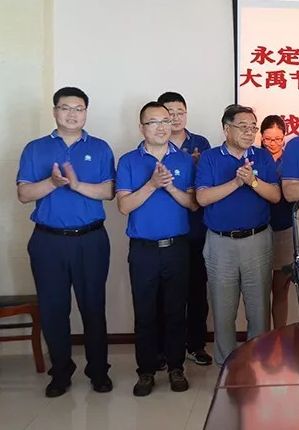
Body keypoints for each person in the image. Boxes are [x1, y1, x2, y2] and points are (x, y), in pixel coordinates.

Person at [16, 87, 116, 397]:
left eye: (79, 108)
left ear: (86, 112)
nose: (72, 114)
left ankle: (98, 371)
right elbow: (23, 194)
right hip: (48, 241)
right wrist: (52, 182)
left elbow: (108, 191)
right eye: (65, 108)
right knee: (53, 309)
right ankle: (60, 372)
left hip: (91, 239)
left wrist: (75, 184)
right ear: (54, 111)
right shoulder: (35, 148)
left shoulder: (100, 148)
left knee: (93, 307)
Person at [116, 102, 198, 396]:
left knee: (176, 311)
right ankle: (146, 371)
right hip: (144, 250)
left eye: (166, 120)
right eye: (154, 122)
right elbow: (124, 206)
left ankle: (176, 367)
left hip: (177, 248)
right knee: (145, 313)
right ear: (142, 128)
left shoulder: (185, 160)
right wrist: (152, 184)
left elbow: (193, 204)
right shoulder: (128, 161)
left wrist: (170, 187)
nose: (162, 127)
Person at [195, 105, 281, 365]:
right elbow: (202, 197)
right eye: (243, 127)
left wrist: (252, 181)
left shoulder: (262, 157)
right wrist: (236, 182)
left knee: (259, 308)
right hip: (220, 243)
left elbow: (275, 196)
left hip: (257, 241)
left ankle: (258, 361)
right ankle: (227, 364)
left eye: (253, 127)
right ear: (226, 128)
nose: (249, 132)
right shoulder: (210, 157)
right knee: (223, 309)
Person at [157, 91, 213, 367]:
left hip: (195, 230)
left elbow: (209, 180)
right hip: (164, 230)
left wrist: (197, 164)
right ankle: (164, 349)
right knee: (164, 295)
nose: (176, 118)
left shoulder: (201, 144)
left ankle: (195, 345)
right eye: (170, 113)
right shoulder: (155, 144)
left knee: (196, 292)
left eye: (181, 112)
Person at [260, 115, 294, 329]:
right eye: (268, 139)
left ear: (284, 138)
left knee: (281, 290)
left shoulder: (291, 160)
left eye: (278, 139)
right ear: (261, 137)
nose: (273, 144)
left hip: (285, 229)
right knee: (259, 292)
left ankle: (280, 336)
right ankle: (262, 338)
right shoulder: (253, 158)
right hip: (258, 230)